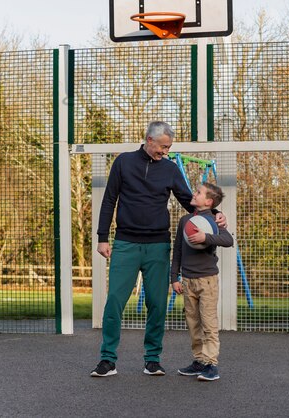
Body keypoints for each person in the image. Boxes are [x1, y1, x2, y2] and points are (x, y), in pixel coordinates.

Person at [90, 121, 226, 378]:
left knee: (157, 304)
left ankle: (152, 359)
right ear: (148, 140)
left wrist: (215, 215)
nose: (165, 151)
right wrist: (102, 237)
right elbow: (109, 199)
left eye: (168, 147)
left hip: (158, 246)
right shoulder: (123, 163)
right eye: (162, 147)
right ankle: (107, 360)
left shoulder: (170, 169)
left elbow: (189, 200)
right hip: (126, 243)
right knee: (115, 303)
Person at [171, 182, 234, 381]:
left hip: (207, 280)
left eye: (198, 192)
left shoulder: (215, 220)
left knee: (208, 323)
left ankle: (211, 364)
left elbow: (228, 240)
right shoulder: (185, 220)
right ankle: (198, 360)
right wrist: (174, 278)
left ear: (208, 201)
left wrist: (205, 237)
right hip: (188, 280)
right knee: (193, 323)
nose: (193, 193)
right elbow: (178, 251)